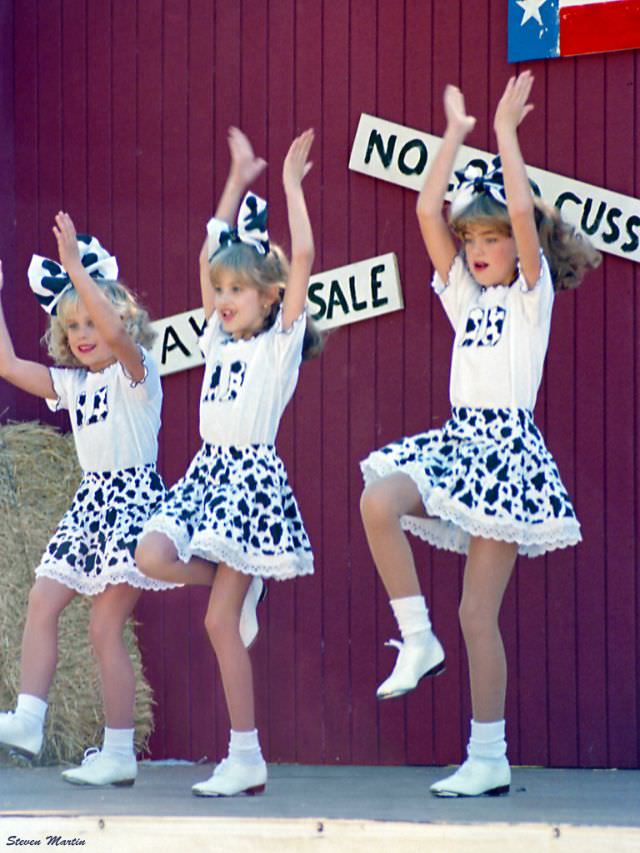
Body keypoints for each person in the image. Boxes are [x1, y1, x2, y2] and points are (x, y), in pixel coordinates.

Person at [359, 72, 601, 797]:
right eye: (474, 237)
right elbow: (426, 211)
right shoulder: (467, 295)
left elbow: (526, 214)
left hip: (504, 459)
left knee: (477, 611)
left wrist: (503, 133)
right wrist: (455, 134)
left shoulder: (532, 296)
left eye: (491, 236)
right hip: (456, 444)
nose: (479, 247)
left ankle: (488, 756)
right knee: (378, 500)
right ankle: (416, 637)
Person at [135, 127, 322, 797]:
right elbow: (207, 251)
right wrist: (238, 174)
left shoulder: (279, 345)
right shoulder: (217, 334)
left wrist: (293, 188)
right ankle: (238, 578)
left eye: (238, 289)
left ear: (270, 295)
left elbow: (301, 254)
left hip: (248, 482)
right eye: (221, 289)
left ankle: (246, 756)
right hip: (204, 473)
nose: (223, 297)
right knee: (150, 552)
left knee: (219, 621)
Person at [0, 213, 179, 786]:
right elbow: (7, 366)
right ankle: (29, 719)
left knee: (105, 630)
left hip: (131, 505)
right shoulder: (75, 384)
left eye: (91, 321)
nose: (82, 333)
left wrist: (75, 268)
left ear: (116, 319)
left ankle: (119, 751)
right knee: (42, 599)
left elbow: (121, 338)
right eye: (71, 324)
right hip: (90, 506)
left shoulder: (137, 372)